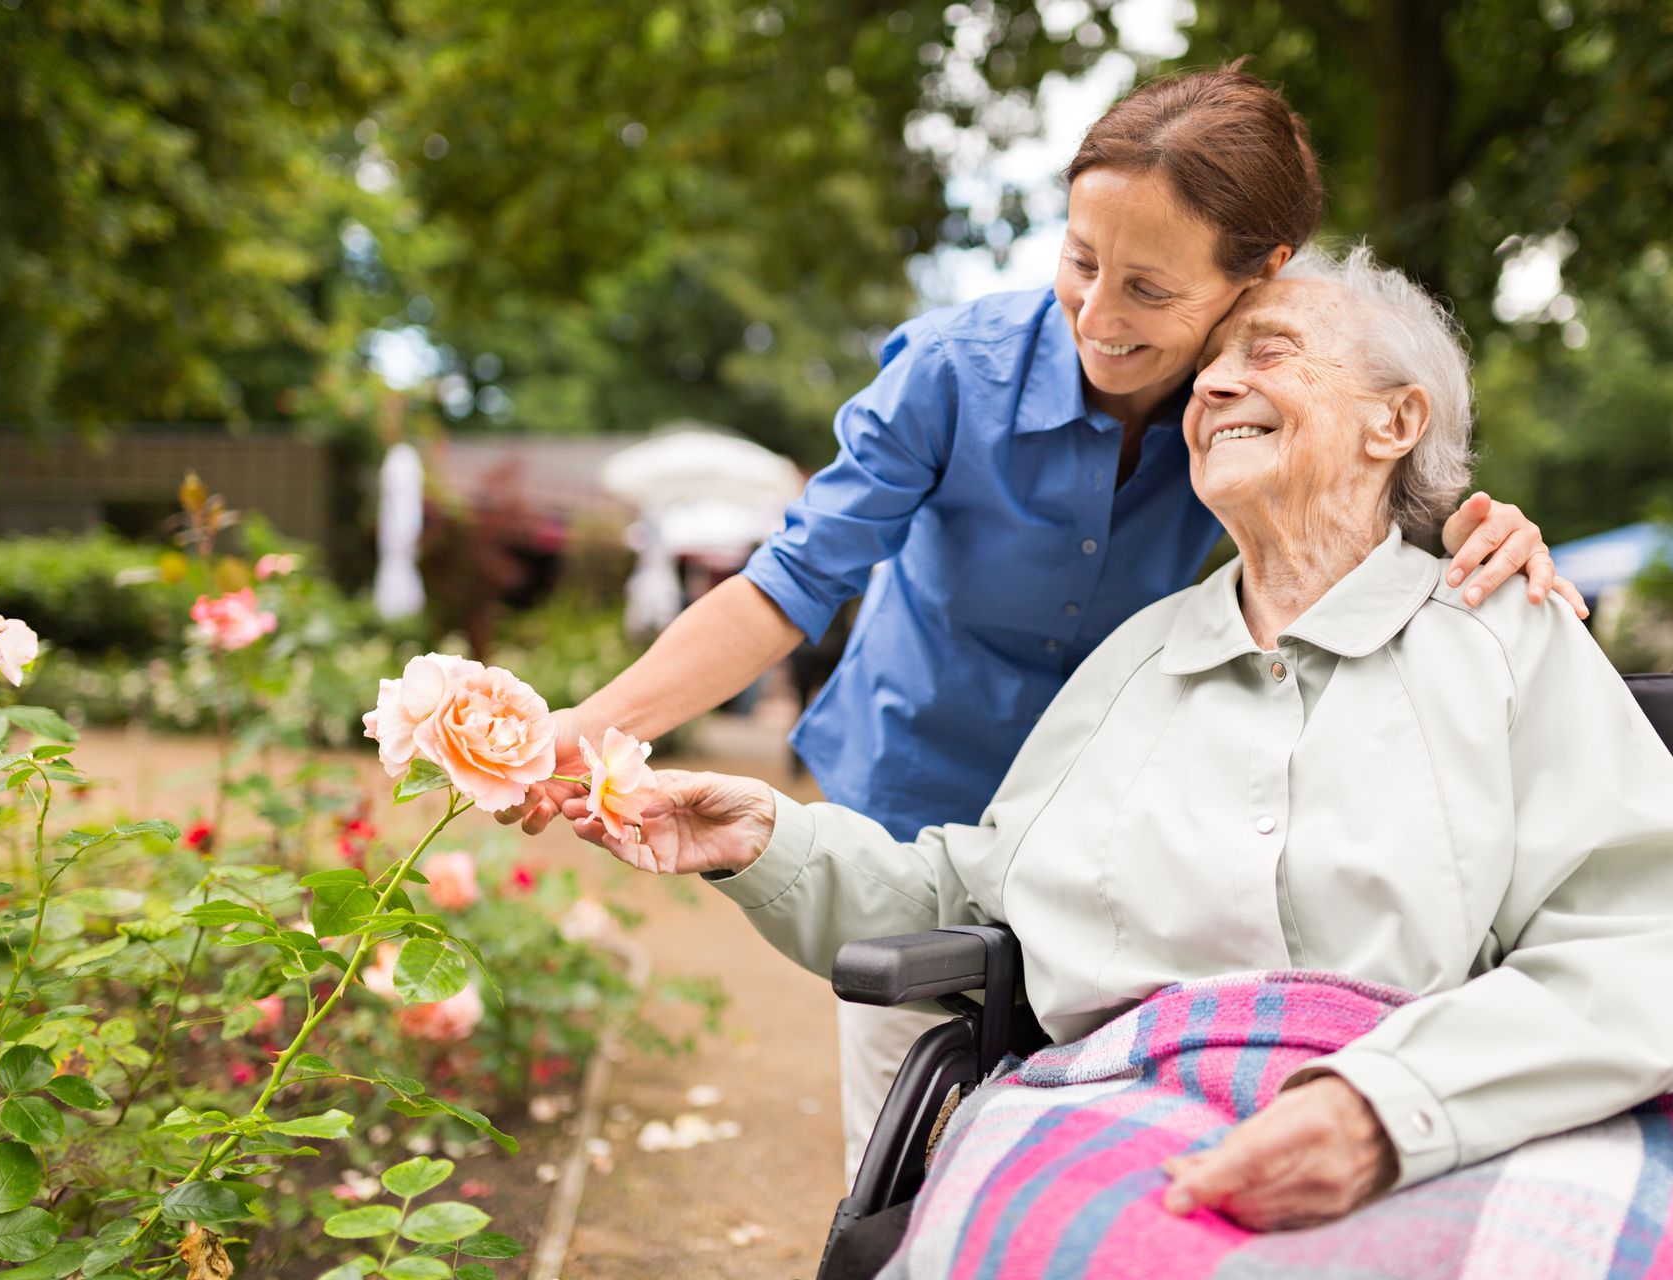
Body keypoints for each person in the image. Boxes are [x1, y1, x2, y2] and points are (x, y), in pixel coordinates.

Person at [560, 244, 1673, 1275]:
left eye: (1275, 350)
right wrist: (765, 837)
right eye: (1211, 368)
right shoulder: (1141, 656)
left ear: (1395, 421)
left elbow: (1655, 930)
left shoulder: (1504, 633)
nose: (1217, 385)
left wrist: (1392, 1106)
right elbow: (974, 898)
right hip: (1127, 1103)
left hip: (1473, 1100)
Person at [507, 65, 1584, 1182]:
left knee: (1078, 1151)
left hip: (1114, 842)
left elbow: (1363, 493)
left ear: (1258, 277)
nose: (1101, 317)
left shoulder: (1244, 404)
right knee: (904, 1155)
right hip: (913, 794)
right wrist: (592, 724)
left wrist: (1475, 521)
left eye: (1150, 291)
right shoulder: (950, 373)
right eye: (1080, 262)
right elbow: (790, 579)